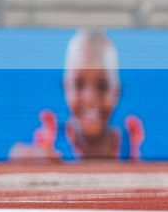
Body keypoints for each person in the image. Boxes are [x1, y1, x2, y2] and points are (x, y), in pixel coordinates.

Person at [9, 28, 143, 162]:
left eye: (102, 86)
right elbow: (17, 153)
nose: (90, 99)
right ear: (65, 87)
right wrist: (33, 157)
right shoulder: (51, 139)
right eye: (79, 85)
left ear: (117, 91)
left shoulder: (130, 142)